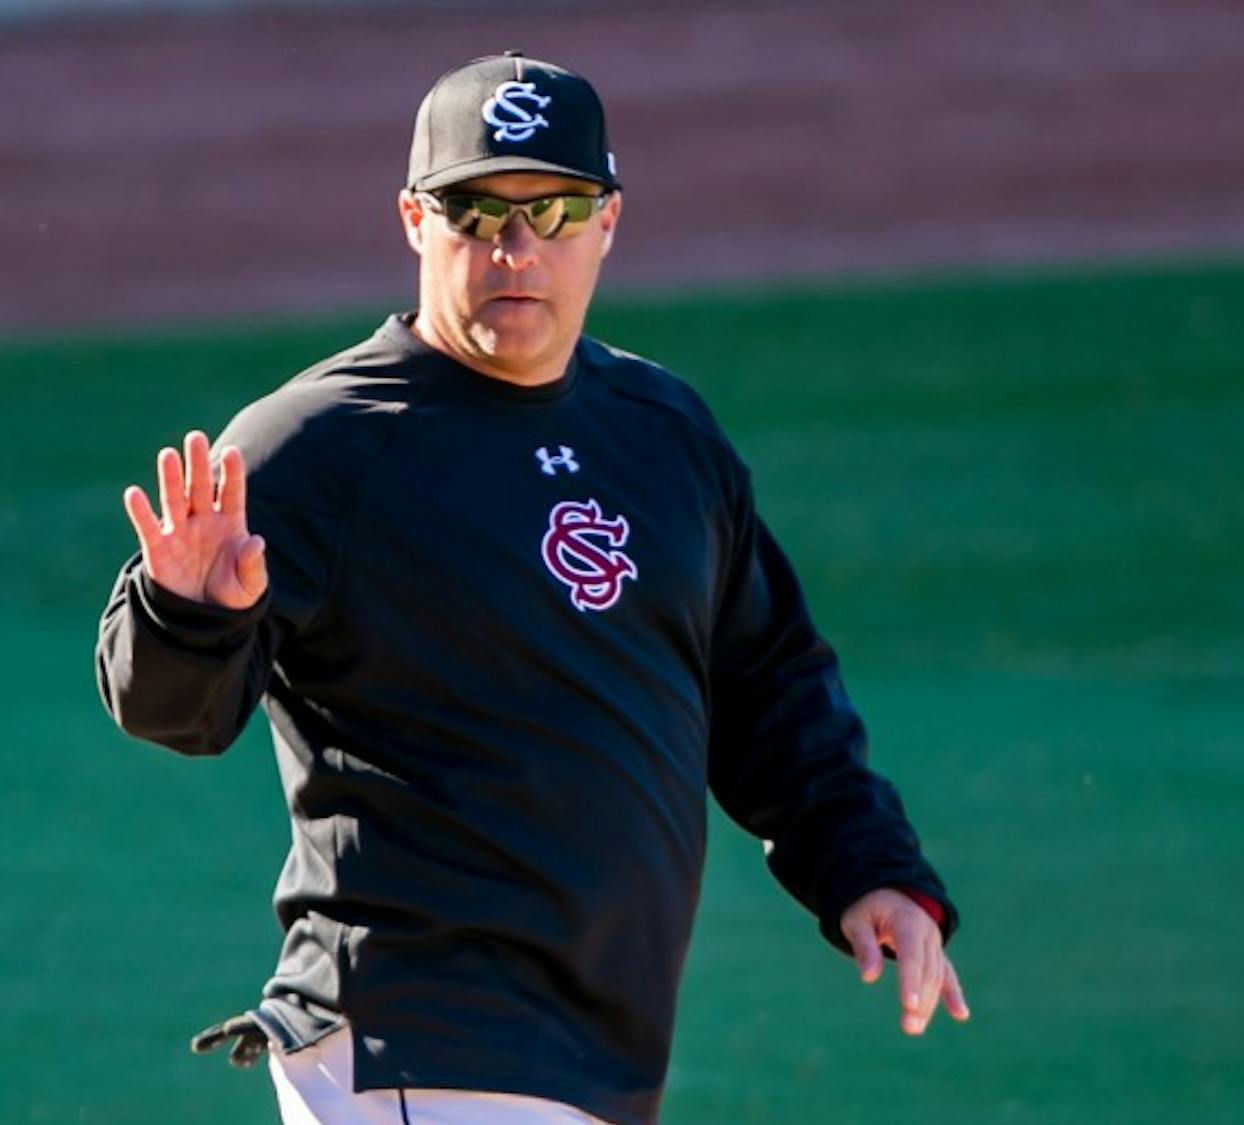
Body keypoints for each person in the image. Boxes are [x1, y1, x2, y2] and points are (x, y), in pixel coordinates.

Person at [95, 50, 969, 1125]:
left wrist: (865, 868)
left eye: (553, 209)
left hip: (591, 1049)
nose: (516, 248)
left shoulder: (664, 435)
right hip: (417, 1032)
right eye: (476, 210)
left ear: (607, 222)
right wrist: (185, 613)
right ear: (415, 220)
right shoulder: (318, 449)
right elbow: (172, 715)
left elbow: (768, 684)